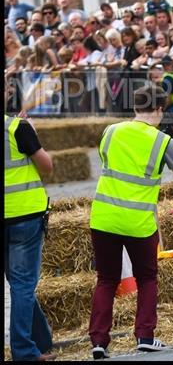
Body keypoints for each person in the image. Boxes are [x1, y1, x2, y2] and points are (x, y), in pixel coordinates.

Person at [88, 84, 173, 359]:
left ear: (135, 107)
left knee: (106, 280)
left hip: (104, 216)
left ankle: (98, 342)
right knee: (146, 278)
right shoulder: (162, 141)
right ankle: (145, 336)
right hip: (139, 221)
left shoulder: (111, 131)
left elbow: (106, 160)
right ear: (159, 109)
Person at [5, 79, 57, 362]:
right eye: (5, 87)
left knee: (17, 282)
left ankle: (41, 340)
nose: (10, 91)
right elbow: (46, 166)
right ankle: (24, 351)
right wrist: (33, 135)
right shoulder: (18, 127)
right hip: (24, 214)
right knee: (24, 285)